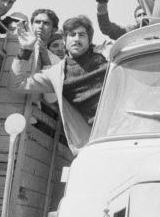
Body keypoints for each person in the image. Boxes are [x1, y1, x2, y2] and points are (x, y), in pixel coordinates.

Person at [11, 16, 108, 153]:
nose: (76, 39)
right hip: (91, 142)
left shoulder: (106, 60)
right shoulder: (56, 73)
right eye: (71, 35)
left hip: (122, 130)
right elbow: (18, 84)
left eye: (81, 35)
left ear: (89, 39)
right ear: (65, 40)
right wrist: (25, 49)